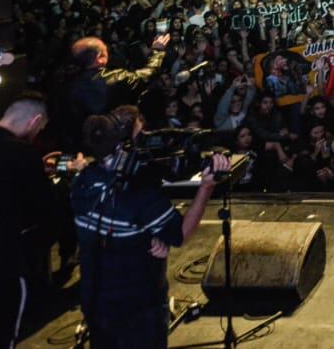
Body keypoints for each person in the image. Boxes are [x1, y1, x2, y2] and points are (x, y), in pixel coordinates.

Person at [71, 106, 230, 349]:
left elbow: (112, 225)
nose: (145, 139)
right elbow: (180, 234)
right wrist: (206, 187)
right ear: (124, 141)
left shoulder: (81, 183)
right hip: (138, 309)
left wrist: (149, 236)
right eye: (140, 134)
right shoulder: (140, 195)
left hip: (95, 302)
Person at [0, 94, 64, 349]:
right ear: (35, 121)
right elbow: (44, 209)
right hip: (0, 266)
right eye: (40, 129)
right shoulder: (22, 152)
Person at [68, 33, 170, 148]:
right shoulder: (115, 78)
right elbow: (147, 75)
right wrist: (157, 51)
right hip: (115, 143)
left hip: (81, 146)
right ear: (99, 58)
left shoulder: (65, 83)